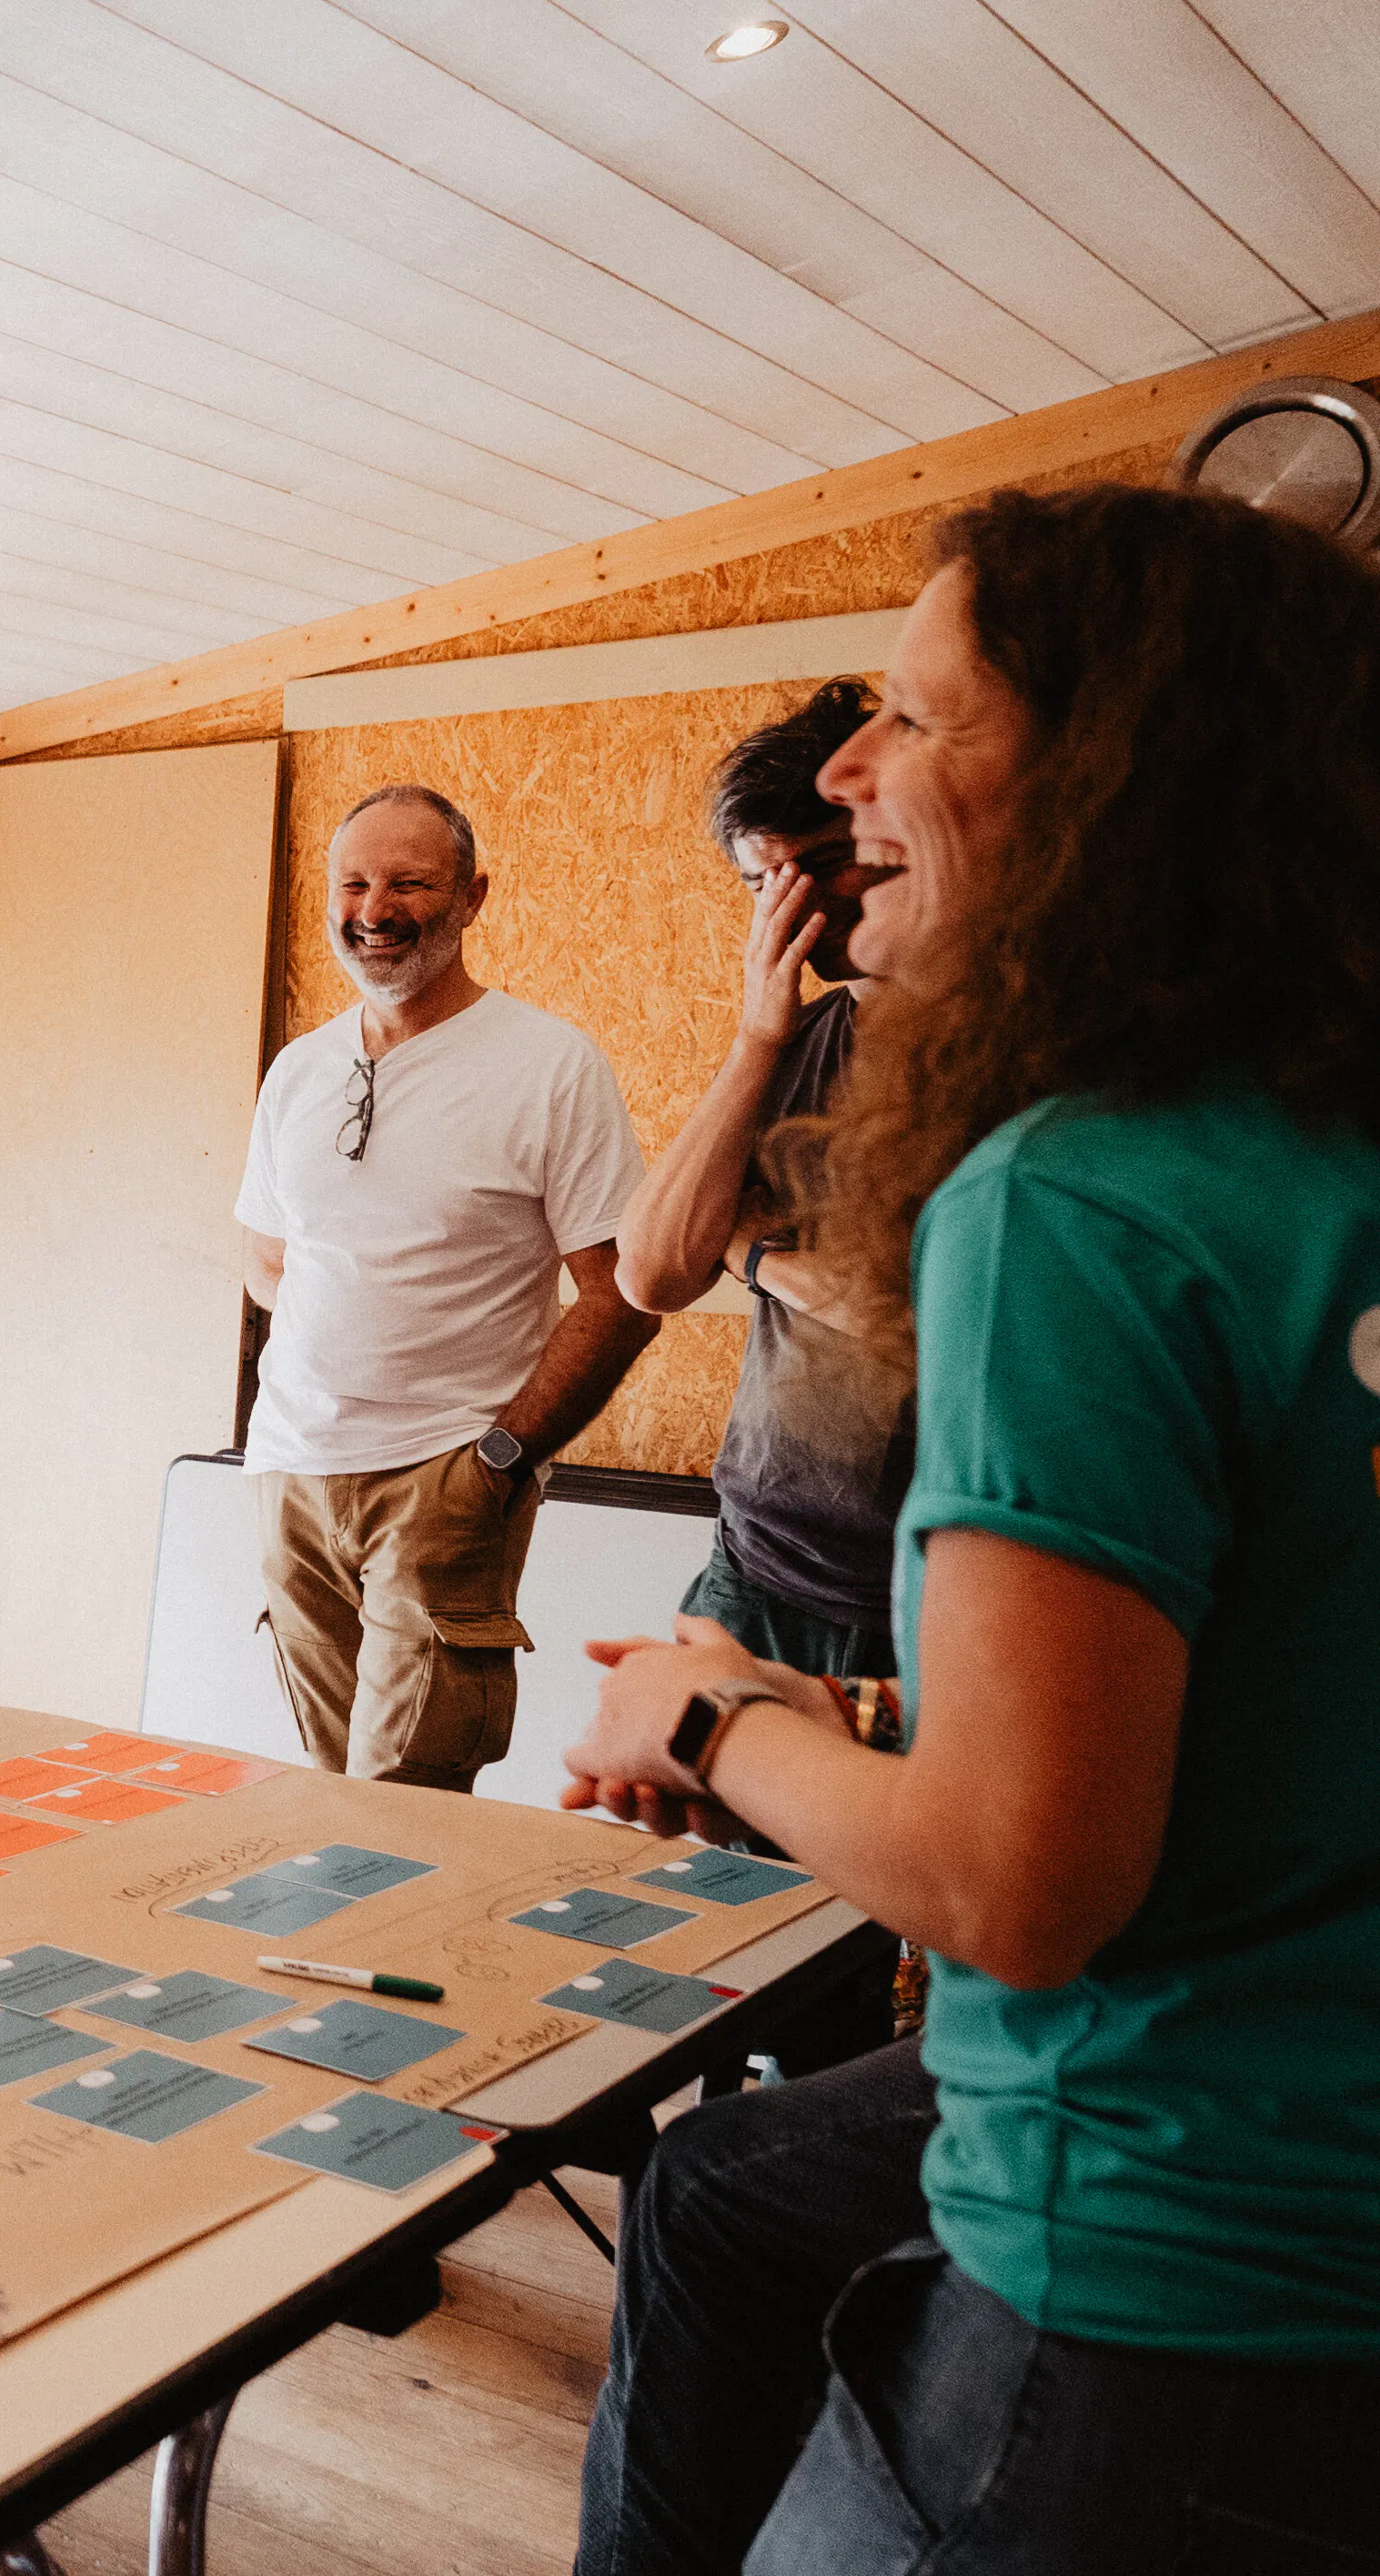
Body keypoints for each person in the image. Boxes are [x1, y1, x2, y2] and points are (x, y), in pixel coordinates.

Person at [566, 482, 1380, 2573]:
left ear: (1121, 786)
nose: (845, 770)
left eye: (915, 718)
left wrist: (698, 1718)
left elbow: (1018, 1880)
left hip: (1154, 2260)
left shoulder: (1073, 1197)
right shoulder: (1315, 1145)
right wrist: (829, 1692)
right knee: (726, 2186)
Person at [237, 784, 658, 1790]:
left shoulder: (548, 1066)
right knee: (334, 1786)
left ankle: (411, 1956)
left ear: (471, 898)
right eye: (353, 883)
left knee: (409, 1804)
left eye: (408, 883)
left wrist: (500, 1459)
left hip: (445, 1478)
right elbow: (266, 1260)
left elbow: (622, 1292)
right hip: (292, 1475)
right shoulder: (299, 1070)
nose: (372, 910)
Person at [611, 681, 911, 1681]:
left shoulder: (1009, 1056)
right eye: (761, 885)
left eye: (822, 866)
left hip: (918, 1595)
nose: (797, 909)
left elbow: (914, 1312)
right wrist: (753, 1039)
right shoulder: (797, 1043)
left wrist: (752, 1246)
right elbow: (651, 1273)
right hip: (755, 1564)